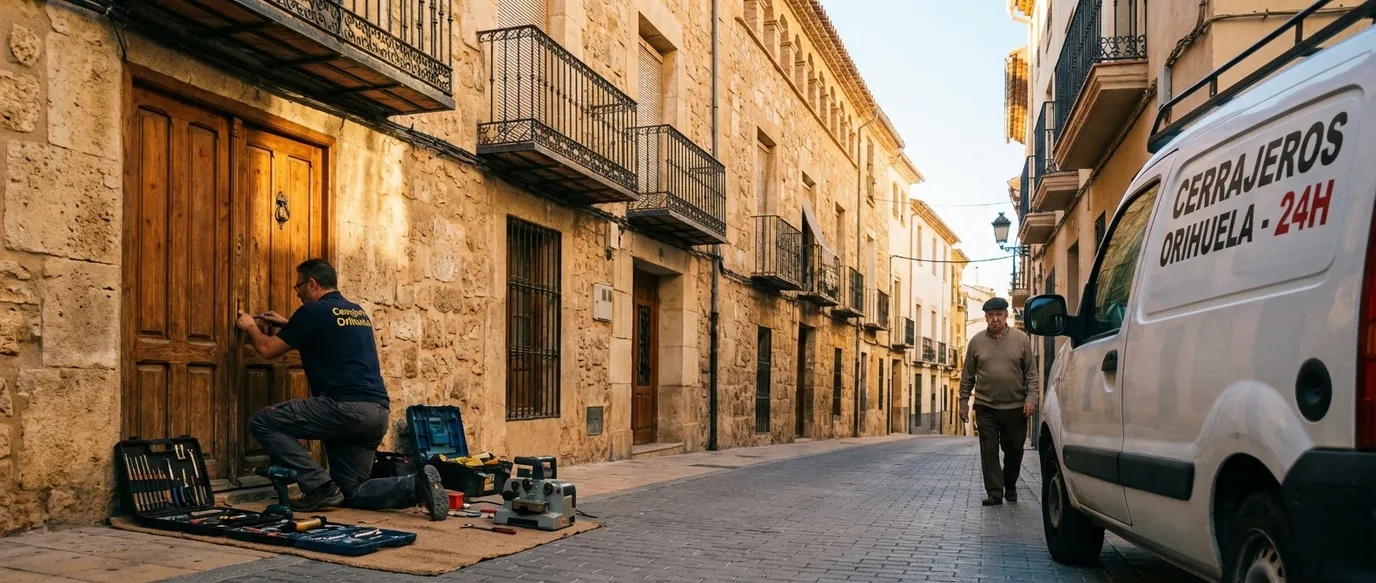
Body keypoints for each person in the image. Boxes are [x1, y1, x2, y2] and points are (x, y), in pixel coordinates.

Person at [235, 258, 449, 520]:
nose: (297, 292)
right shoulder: (356, 312)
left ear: (312, 283)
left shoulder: (312, 312)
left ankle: (318, 485)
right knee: (354, 491)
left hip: (343, 408)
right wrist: (289, 325)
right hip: (376, 413)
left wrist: (250, 327)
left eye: (298, 286)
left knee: (263, 422)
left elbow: (267, 349)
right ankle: (417, 485)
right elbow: (327, 335)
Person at [958, 297, 1039, 506]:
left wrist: (1031, 399)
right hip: (986, 407)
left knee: (1014, 451)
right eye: (991, 315)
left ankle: (1009, 484)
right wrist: (963, 402)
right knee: (989, 450)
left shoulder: (1021, 340)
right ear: (986, 317)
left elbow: (1030, 372)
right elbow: (967, 375)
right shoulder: (976, 342)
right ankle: (995, 491)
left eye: (999, 315)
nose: (995, 319)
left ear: (1006, 316)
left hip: (1015, 407)